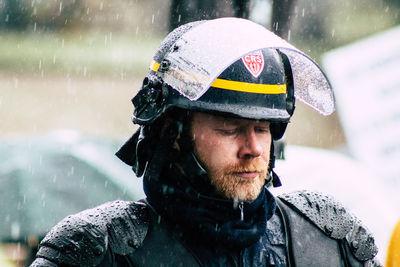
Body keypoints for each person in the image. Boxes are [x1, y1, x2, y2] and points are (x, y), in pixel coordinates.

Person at [30, 17, 381, 266]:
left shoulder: (329, 240)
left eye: (262, 128)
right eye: (230, 127)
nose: (254, 148)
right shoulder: (98, 251)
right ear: (173, 132)